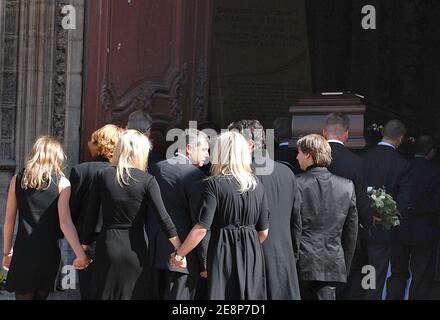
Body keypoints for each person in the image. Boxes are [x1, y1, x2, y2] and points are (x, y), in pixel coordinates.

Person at [80, 130, 181, 299]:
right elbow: (164, 218)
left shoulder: (102, 176)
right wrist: (180, 249)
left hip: (107, 246)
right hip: (137, 248)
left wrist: (83, 250)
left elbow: (90, 217)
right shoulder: (147, 180)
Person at [171, 131, 269, 300]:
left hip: (221, 253)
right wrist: (246, 246)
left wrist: (179, 254)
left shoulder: (213, 184)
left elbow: (201, 229)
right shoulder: (257, 185)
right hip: (253, 255)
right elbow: (263, 232)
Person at [2, 136, 91, 300]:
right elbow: (65, 223)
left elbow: (9, 221)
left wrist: (7, 252)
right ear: (56, 156)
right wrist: (80, 254)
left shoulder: (17, 180)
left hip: (24, 252)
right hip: (49, 254)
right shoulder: (62, 183)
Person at [228, 119, 302, 300]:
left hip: (250, 260)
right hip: (283, 259)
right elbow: (296, 220)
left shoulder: (239, 175)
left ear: (250, 145)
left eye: (234, 142)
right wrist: (293, 253)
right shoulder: (287, 172)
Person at [296, 134, 358, 300]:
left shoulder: (296, 183)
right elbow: (350, 233)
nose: (296, 157)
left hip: (301, 261)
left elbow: (292, 226)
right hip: (332, 262)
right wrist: (344, 264)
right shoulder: (347, 186)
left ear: (308, 154)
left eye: (299, 152)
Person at [149, 129, 209, 300]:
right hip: (184, 256)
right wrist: (204, 262)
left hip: (155, 253)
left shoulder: (157, 168)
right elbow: (200, 223)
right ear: (189, 148)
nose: (207, 155)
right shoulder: (196, 176)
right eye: (204, 149)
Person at [69, 124, 124, 299]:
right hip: (120, 242)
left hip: (87, 243)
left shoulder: (81, 171)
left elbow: (72, 210)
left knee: (90, 292)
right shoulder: (126, 173)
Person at [322, 113, 371, 299]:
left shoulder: (310, 158)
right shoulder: (357, 163)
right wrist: (367, 225)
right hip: (346, 230)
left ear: (324, 132)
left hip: (315, 230)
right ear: (346, 134)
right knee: (346, 280)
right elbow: (361, 200)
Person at [361, 119, 411, 300]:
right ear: (400, 139)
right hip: (383, 229)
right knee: (376, 274)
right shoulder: (402, 164)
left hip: (359, 226)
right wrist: (388, 218)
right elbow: (403, 201)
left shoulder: (364, 157)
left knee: (363, 271)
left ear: (383, 134)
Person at [394, 135, 440, 299]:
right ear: (432, 152)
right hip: (425, 229)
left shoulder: (403, 166)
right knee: (421, 274)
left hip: (400, 226)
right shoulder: (435, 171)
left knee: (398, 273)